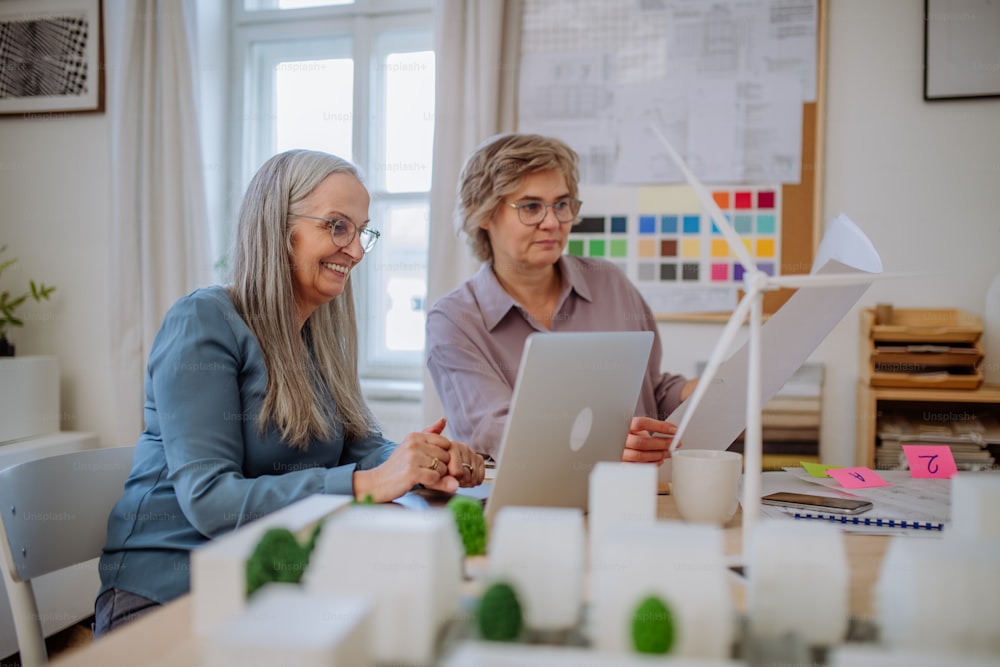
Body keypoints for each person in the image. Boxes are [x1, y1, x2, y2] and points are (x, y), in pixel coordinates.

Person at [95, 149, 485, 635]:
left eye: (362, 231)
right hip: (168, 594)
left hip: (277, 578)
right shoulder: (203, 323)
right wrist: (366, 485)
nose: (357, 251)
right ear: (277, 228)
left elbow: (362, 449)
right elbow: (211, 499)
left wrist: (421, 460)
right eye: (337, 227)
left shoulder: (315, 334)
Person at [425, 133, 696, 463]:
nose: (552, 222)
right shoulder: (455, 321)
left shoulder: (609, 283)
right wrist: (604, 443)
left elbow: (649, 392)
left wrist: (707, 391)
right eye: (531, 207)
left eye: (562, 204)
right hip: (529, 505)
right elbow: (494, 430)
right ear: (482, 214)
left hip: (634, 495)